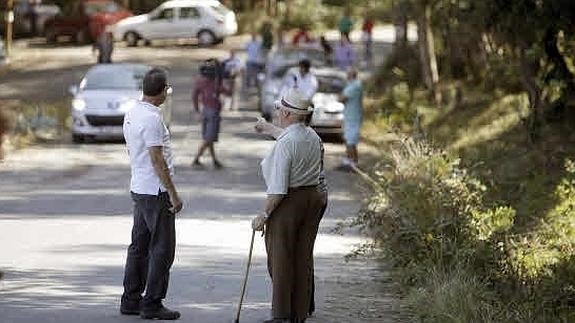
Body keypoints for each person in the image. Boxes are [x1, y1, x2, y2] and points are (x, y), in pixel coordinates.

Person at [252, 88, 324, 323]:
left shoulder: (286, 143)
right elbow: (287, 136)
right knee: (303, 257)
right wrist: (266, 128)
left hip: (289, 202)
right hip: (311, 198)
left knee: (281, 258)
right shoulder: (313, 136)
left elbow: (278, 188)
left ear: (286, 113)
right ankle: (299, 313)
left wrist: (263, 214)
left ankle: (281, 315)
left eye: (279, 110)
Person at [121, 68, 183, 320]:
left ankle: (131, 300)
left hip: (139, 186)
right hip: (156, 191)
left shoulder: (132, 113)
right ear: (162, 91)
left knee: (139, 245)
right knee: (162, 249)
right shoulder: (152, 119)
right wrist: (173, 193)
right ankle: (152, 302)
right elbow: (157, 160)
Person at [192, 58, 231, 169]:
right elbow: (228, 92)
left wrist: (197, 111)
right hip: (213, 112)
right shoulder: (215, 82)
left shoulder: (201, 81)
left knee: (209, 138)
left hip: (205, 111)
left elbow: (194, 96)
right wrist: (228, 81)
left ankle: (214, 160)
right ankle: (196, 158)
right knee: (209, 138)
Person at [339, 68, 363, 169]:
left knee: (350, 140)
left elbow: (342, 98)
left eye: (348, 73)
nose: (346, 75)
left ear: (352, 75)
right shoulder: (352, 85)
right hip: (350, 116)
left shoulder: (355, 86)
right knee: (349, 139)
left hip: (353, 117)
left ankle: (353, 162)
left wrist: (341, 97)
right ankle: (350, 160)